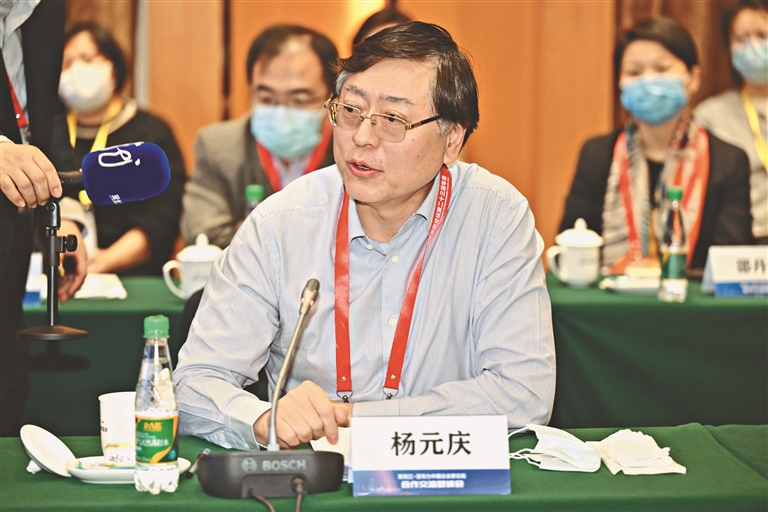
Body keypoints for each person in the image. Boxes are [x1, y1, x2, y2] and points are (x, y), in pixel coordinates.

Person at [175, 22, 556, 450]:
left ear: (452, 138)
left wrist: (357, 420)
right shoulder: (280, 223)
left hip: (440, 471)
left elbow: (524, 392)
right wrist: (263, 419)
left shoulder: (496, 216)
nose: (361, 137)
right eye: (351, 111)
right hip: (317, 474)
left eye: (392, 120)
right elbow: (194, 385)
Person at [560, 16, 754, 275]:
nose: (648, 81)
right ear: (620, 83)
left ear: (693, 78)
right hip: (613, 297)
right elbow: (571, 244)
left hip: (689, 300)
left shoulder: (728, 161)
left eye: (661, 69)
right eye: (634, 72)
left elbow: (732, 266)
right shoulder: (596, 154)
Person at [1, 0, 87, 436]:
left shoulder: (46, 7)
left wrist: (63, 208)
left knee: (7, 372)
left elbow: (42, 110)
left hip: (13, 235)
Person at [180, 25, 338, 248]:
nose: (281, 113)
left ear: (332, 97)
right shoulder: (218, 147)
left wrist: (250, 230)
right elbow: (205, 237)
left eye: (300, 99)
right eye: (266, 98)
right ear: (250, 92)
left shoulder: (355, 149)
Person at [60, 23, 186, 276]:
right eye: (66, 63)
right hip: (62, 273)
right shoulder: (52, 135)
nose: (76, 70)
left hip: (134, 276)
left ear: (113, 66)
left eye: (87, 59)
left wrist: (106, 261)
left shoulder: (151, 134)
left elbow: (163, 215)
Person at [695, 0, 768, 244]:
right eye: (741, 39)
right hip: (742, 242)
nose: (752, 47)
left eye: (762, 35)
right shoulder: (709, 115)